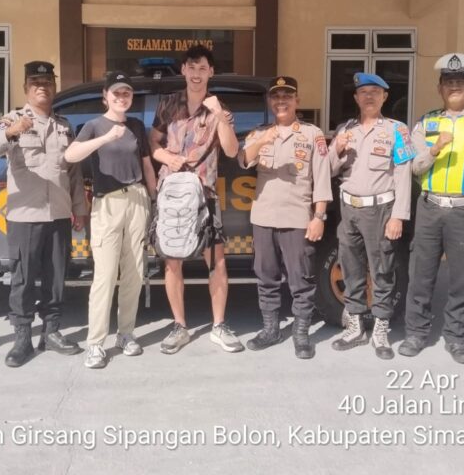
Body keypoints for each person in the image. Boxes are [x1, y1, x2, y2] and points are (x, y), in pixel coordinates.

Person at [399, 53, 464, 364]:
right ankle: (416, 333)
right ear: (440, 88)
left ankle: (456, 338)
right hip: (430, 207)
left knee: (463, 277)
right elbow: (415, 167)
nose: (454, 86)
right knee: (420, 274)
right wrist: (434, 149)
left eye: (460, 81)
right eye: (448, 81)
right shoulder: (426, 122)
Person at [0, 61, 88, 367]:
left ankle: (51, 332)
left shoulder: (64, 125)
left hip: (59, 214)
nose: (42, 87)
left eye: (47, 82)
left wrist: (79, 209)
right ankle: (22, 338)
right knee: (23, 279)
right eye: (36, 83)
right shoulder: (12, 119)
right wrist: (11, 132)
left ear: (54, 86)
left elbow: (73, 172)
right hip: (25, 215)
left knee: (56, 277)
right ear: (26, 88)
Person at [149, 45, 243, 354]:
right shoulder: (168, 104)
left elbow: (231, 150)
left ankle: (219, 326)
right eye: (192, 67)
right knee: (172, 261)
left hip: (205, 195)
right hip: (173, 195)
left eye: (203, 68)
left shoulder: (220, 108)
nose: (197, 74)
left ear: (211, 72)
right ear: (183, 71)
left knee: (216, 261)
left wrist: (220, 117)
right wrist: (167, 158)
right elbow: (154, 144)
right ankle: (180, 326)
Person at [64, 71, 157, 369]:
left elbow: (146, 164)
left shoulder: (136, 125)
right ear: (105, 96)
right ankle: (95, 343)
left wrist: (154, 198)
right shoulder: (93, 126)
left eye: (126, 93)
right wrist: (105, 137)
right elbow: (71, 155)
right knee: (104, 276)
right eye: (116, 93)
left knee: (134, 272)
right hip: (107, 203)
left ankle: (126, 333)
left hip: (137, 199)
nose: (121, 97)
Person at [239, 77, 332, 359]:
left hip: (297, 217)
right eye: (276, 96)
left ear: (296, 101)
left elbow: (322, 178)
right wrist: (263, 141)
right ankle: (271, 330)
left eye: (287, 96)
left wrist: (319, 216)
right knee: (266, 276)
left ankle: (301, 334)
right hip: (264, 216)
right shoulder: (259, 133)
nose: (281, 101)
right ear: (270, 101)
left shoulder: (312, 134)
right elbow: (243, 160)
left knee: (301, 279)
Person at [328, 73, 414, 360]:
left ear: (384, 97)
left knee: (382, 271)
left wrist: (398, 216)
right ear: (355, 98)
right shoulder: (345, 129)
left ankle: (380, 330)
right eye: (363, 92)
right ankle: (355, 328)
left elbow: (403, 174)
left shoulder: (397, 130)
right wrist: (337, 148)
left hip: (380, 210)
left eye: (374, 92)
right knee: (350, 268)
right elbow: (329, 169)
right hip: (348, 208)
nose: (368, 97)